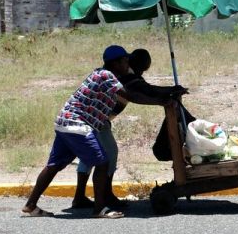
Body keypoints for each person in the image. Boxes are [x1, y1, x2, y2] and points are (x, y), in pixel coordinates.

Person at [22, 45, 175, 219]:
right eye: (125, 61)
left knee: (53, 166)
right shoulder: (106, 76)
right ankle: (100, 209)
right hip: (78, 124)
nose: (128, 64)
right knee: (102, 163)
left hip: (65, 121)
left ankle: (30, 205)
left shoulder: (102, 73)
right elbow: (132, 96)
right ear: (116, 63)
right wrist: (162, 102)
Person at [72, 48, 184, 209]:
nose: (141, 73)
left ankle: (80, 197)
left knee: (87, 157)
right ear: (130, 63)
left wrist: (168, 91)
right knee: (110, 153)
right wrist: (166, 95)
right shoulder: (123, 74)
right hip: (96, 120)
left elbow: (144, 87)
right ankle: (106, 196)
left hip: (88, 118)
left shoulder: (114, 71)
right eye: (141, 69)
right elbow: (139, 92)